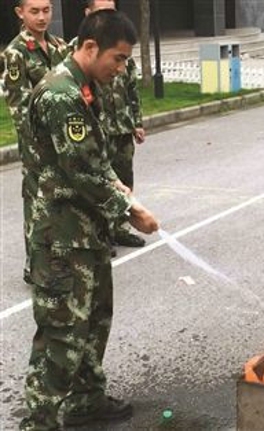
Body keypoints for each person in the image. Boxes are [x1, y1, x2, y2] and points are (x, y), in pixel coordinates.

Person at [19, 9, 159, 430]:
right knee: (62, 336)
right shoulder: (62, 95)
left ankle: (85, 401)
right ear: (91, 47)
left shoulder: (82, 88)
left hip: (86, 235)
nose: (121, 69)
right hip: (62, 239)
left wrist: (120, 189)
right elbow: (81, 170)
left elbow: (96, 161)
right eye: (118, 59)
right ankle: (39, 420)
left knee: (94, 322)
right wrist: (129, 210)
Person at [1, 0, 69, 283]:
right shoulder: (15, 53)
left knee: (59, 202)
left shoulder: (59, 47)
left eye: (46, 10)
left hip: (62, 141)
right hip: (38, 145)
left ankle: (56, 259)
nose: (42, 17)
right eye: (34, 11)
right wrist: (43, 139)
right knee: (38, 204)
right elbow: (18, 107)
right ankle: (35, 267)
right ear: (20, 13)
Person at [89, 0, 147, 249]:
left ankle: (119, 228)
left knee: (124, 179)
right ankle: (100, 234)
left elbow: (132, 90)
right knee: (99, 183)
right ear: (88, 14)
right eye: (101, 11)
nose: (107, 16)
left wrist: (137, 122)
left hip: (122, 128)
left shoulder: (123, 51)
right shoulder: (81, 51)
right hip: (98, 130)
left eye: (111, 11)